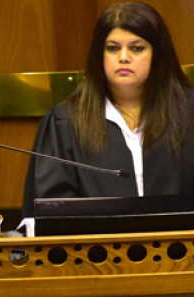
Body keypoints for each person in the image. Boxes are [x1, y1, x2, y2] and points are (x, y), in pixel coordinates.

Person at [22, 2, 194, 217]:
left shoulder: (188, 113)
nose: (123, 57)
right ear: (100, 55)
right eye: (113, 48)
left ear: (157, 54)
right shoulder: (66, 122)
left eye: (137, 48)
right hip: (92, 240)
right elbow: (52, 211)